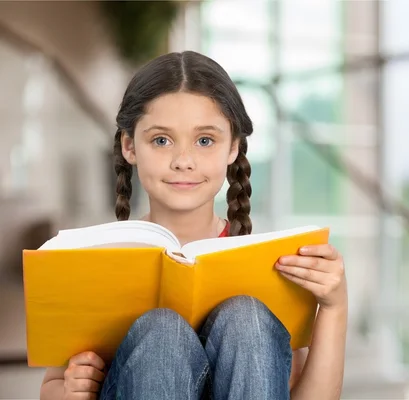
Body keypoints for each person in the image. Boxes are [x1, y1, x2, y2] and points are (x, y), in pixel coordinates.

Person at [39, 51, 348, 400]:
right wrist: (71, 390)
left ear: (233, 146)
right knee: (162, 333)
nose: (183, 161)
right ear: (129, 146)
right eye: (161, 140)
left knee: (247, 318)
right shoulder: (96, 258)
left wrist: (334, 306)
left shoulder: (265, 264)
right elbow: (53, 386)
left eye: (205, 141)